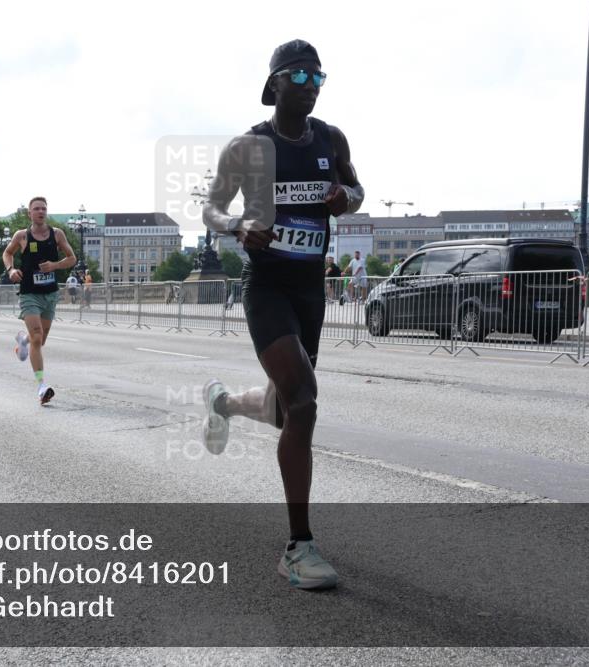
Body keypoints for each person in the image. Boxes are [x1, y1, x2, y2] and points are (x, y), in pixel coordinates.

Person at [200, 39, 364, 590]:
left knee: (280, 409)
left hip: (310, 289)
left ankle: (221, 402)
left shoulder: (331, 139)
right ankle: (299, 546)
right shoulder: (249, 147)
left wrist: (348, 196)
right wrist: (240, 227)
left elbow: (358, 188)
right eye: (299, 77)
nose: (311, 86)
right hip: (266, 285)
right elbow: (211, 208)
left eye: (319, 78)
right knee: (304, 402)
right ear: (274, 85)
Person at [2, 197, 77, 405]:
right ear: (30, 213)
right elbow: (7, 253)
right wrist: (11, 269)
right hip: (29, 293)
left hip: (50, 294)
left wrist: (55, 265)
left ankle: (22, 343)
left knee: (40, 340)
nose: (40, 212)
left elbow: (72, 259)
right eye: (36, 209)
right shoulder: (22, 236)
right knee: (37, 337)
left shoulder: (57, 234)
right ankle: (41, 386)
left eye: (43, 208)